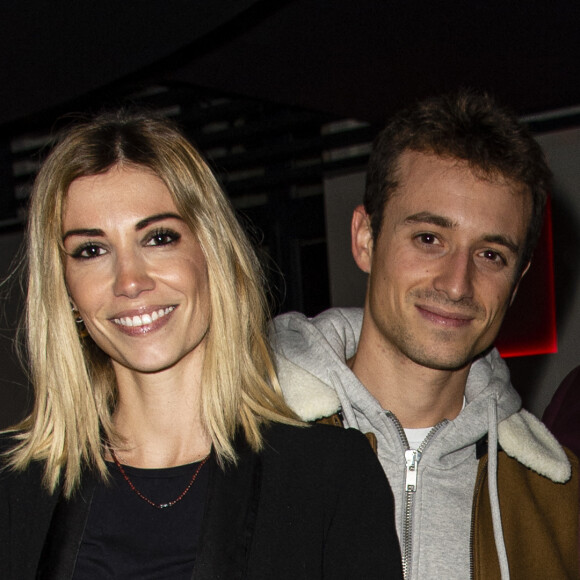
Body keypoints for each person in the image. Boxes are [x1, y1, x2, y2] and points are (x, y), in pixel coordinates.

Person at [0, 110, 403, 580]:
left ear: (212, 254)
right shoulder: (17, 491)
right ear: (65, 290)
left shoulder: (327, 477)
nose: (129, 280)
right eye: (92, 250)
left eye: (159, 238)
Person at [272, 91, 579, 580]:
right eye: (429, 239)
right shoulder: (245, 439)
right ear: (365, 238)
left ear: (517, 284)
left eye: (491, 255)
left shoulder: (558, 502)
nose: (456, 283)